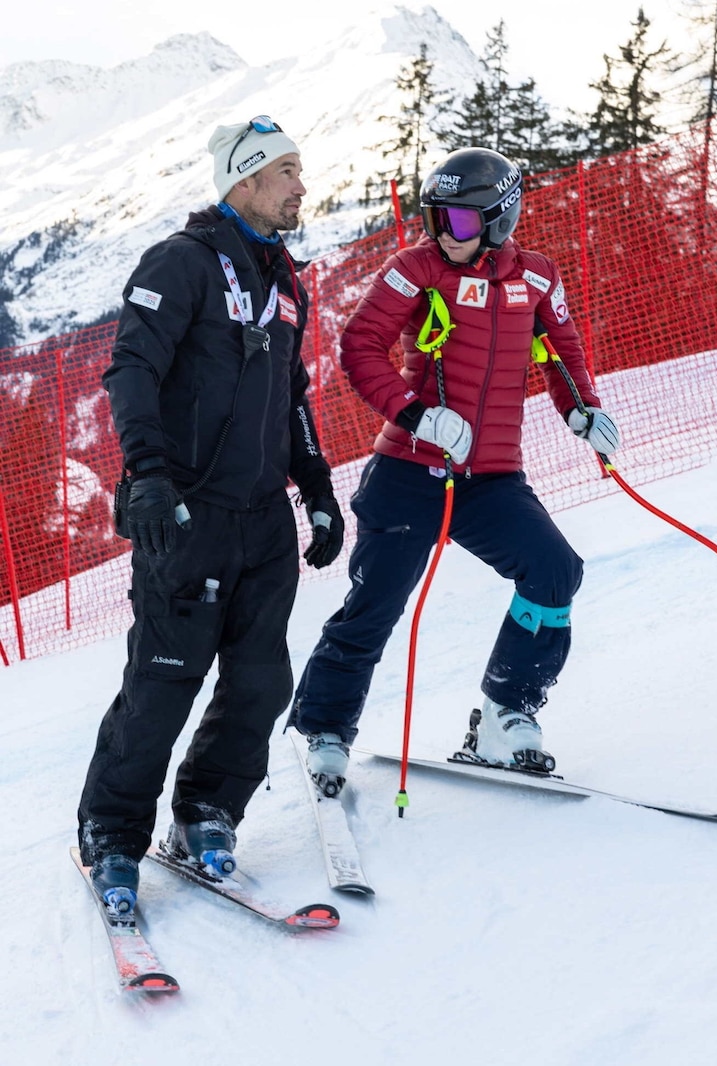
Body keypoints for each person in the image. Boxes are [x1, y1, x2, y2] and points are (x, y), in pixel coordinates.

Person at [290, 146, 619, 798]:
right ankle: (325, 731)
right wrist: (416, 415)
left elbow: (561, 352)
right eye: (437, 217)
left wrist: (582, 409)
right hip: (410, 471)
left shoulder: (539, 277)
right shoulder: (414, 269)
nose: (445, 233)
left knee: (556, 572)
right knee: (376, 605)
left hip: (491, 476)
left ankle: (504, 714)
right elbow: (359, 346)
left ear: (499, 219)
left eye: (463, 223)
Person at [78, 115, 344, 911]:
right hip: (186, 515)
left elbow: (290, 395)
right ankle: (113, 833)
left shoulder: (284, 280)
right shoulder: (183, 263)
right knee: (163, 683)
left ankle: (206, 811)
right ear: (245, 181)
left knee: (261, 681)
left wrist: (319, 487)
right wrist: (149, 476)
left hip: (261, 519)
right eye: (287, 171)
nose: (302, 185)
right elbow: (130, 369)